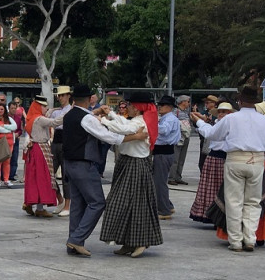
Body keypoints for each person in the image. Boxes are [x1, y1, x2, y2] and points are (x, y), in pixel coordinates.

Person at [191, 85, 265, 253]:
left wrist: (200, 123)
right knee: (254, 202)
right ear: (255, 102)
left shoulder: (231, 119)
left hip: (235, 159)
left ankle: (235, 240)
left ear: (240, 101)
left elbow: (213, 135)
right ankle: (250, 238)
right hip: (256, 160)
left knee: (234, 201)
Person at [61, 85, 148, 257]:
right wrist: (135, 137)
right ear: (88, 100)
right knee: (97, 203)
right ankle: (76, 239)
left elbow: (88, 120)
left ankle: (73, 242)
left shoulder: (70, 115)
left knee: (78, 204)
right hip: (84, 165)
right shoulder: (87, 118)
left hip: (70, 164)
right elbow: (109, 137)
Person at [99, 94, 162, 257]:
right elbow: (125, 124)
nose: (128, 108)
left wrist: (104, 121)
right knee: (127, 204)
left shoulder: (141, 122)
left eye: (131, 106)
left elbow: (125, 129)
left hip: (136, 165)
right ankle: (128, 241)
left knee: (133, 204)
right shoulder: (139, 120)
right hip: (128, 163)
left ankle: (140, 241)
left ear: (138, 108)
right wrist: (111, 114)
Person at [189, 102, 234, 223]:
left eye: (224, 112)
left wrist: (200, 121)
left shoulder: (229, 125)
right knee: (210, 187)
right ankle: (210, 214)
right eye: (219, 112)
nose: (220, 114)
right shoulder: (219, 123)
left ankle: (218, 215)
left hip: (223, 156)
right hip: (214, 156)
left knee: (219, 187)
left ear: (229, 114)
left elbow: (210, 133)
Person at [22, 97, 63, 217]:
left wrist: (54, 109)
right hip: (41, 150)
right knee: (42, 178)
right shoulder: (39, 119)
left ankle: (29, 203)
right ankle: (39, 208)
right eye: (44, 107)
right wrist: (69, 113)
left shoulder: (31, 118)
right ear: (39, 107)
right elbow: (54, 122)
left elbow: (48, 114)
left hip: (34, 150)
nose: (46, 109)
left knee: (34, 178)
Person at [153, 95, 182, 219]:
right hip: (163, 152)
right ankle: (167, 205)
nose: (160, 107)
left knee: (159, 182)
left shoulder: (169, 119)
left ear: (169, 107)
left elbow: (164, 130)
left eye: (162, 105)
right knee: (159, 181)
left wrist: (150, 123)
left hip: (164, 152)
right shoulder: (166, 117)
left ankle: (164, 210)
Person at [0, 103, 18, 186]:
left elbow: (14, 126)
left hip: (10, 143)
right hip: (0, 143)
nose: (0, 111)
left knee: (7, 162)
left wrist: (4, 125)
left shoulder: (8, 118)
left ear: (5, 110)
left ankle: (6, 179)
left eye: (2, 109)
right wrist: (8, 130)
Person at [170, 95, 192, 185]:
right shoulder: (175, 112)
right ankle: (171, 177)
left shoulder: (186, 112)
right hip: (178, 137)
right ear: (182, 102)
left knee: (182, 158)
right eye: (187, 101)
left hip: (186, 137)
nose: (188, 103)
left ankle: (178, 176)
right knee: (175, 158)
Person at [8, 99, 26, 182]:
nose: (14, 110)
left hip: (16, 140)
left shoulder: (18, 118)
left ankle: (12, 175)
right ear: (9, 108)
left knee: (14, 158)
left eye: (15, 108)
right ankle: (4, 175)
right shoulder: (6, 118)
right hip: (7, 140)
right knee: (6, 158)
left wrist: (18, 134)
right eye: (12, 108)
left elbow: (20, 130)